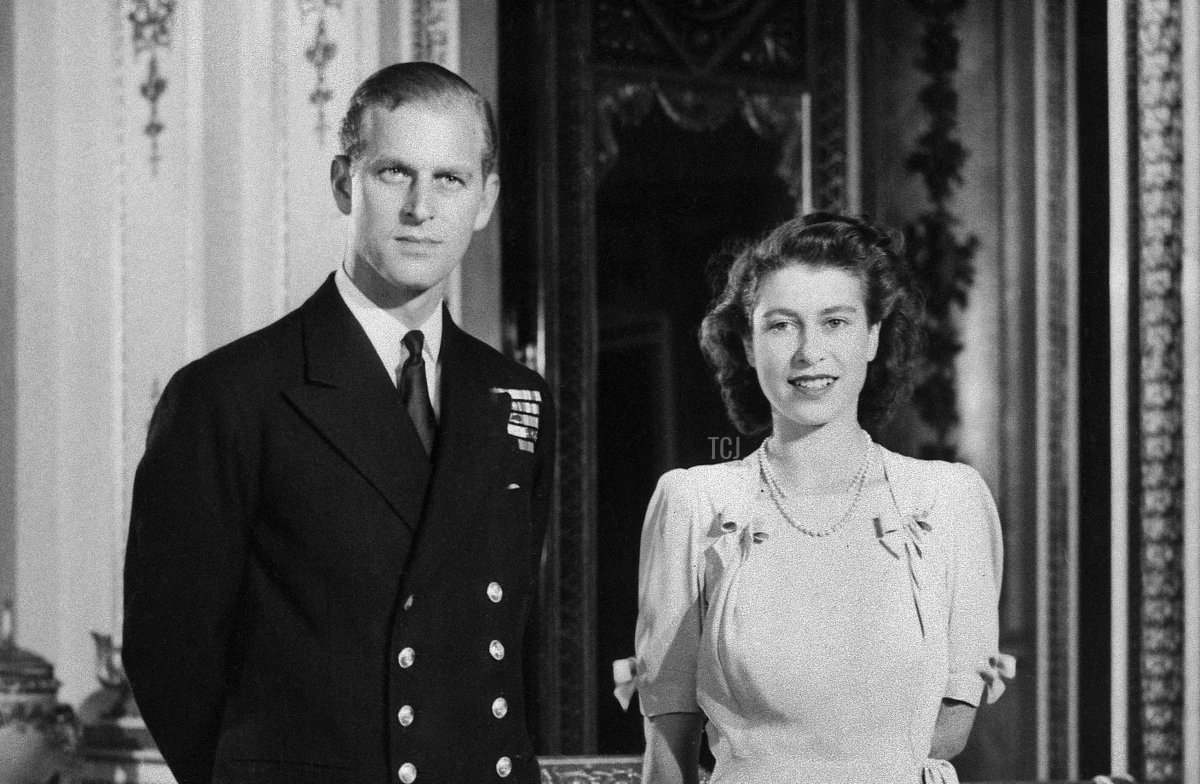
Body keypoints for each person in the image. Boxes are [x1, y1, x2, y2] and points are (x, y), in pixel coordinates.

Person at [123, 62, 555, 784]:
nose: (422, 207)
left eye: (450, 179)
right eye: (394, 173)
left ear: (485, 201)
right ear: (342, 182)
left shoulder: (515, 396)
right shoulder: (230, 395)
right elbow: (169, 655)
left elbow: (504, 644)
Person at [632, 214, 1012, 784]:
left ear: (872, 338)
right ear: (748, 343)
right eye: (782, 325)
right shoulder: (693, 505)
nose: (810, 352)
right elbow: (669, 750)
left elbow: (951, 727)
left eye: (835, 322)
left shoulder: (950, 503)